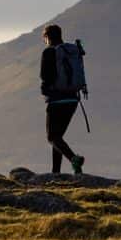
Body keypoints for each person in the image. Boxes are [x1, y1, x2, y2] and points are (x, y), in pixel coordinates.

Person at [39, 24, 86, 175]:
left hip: (56, 99)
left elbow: (45, 76)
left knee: (52, 136)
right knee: (58, 136)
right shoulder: (70, 51)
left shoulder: (49, 52)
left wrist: (45, 89)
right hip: (73, 99)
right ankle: (56, 173)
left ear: (47, 37)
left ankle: (74, 159)